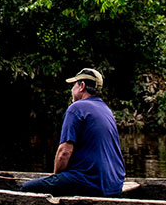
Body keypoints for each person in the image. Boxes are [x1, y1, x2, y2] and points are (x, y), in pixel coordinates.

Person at [21, 67, 125, 196]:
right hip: (114, 184)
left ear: (82, 86)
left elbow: (64, 152)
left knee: (27, 188)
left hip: (90, 183)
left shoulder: (76, 108)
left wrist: (55, 180)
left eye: (74, 85)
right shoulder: (106, 110)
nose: (71, 90)